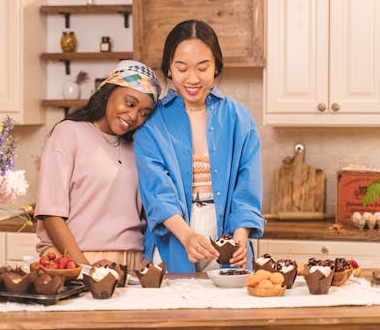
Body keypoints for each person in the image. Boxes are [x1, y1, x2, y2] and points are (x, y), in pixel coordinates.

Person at [134, 20, 264, 273]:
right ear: (169, 69)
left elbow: (247, 188)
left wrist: (239, 239)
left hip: (228, 236)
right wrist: (187, 236)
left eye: (202, 68)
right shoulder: (152, 123)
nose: (192, 79)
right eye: (181, 68)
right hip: (175, 235)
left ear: (216, 67)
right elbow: (157, 194)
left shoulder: (240, 119)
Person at [35, 60, 160, 271]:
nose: (133, 117)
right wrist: (85, 269)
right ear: (108, 92)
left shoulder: (138, 146)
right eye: (130, 103)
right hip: (79, 258)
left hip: (131, 263)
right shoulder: (69, 133)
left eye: (144, 113)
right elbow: (51, 213)